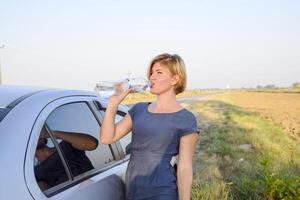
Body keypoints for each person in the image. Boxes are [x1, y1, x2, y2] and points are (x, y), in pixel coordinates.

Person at [100, 53, 199, 200]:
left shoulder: (186, 119)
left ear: (175, 79)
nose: (152, 77)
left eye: (159, 73)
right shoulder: (138, 110)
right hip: (134, 189)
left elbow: (184, 166)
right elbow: (107, 138)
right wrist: (113, 104)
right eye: (152, 73)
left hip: (163, 190)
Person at [35, 125, 98, 190]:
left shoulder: (67, 144)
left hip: (100, 187)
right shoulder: (36, 173)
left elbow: (93, 144)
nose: (36, 137)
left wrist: (52, 133)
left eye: (36, 133)